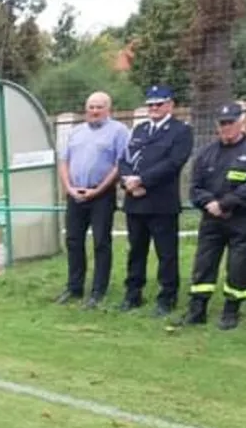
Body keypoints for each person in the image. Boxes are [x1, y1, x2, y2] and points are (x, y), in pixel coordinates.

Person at [181, 101, 246, 330]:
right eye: (222, 123)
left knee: (239, 265)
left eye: (230, 122)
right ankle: (197, 309)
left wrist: (224, 204)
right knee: (204, 263)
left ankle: (231, 311)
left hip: (241, 219)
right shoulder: (206, 153)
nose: (226, 127)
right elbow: (195, 188)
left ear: (242, 123)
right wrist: (209, 203)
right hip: (211, 218)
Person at [117, 85, 193, 316]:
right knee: (136, 252)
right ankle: (133, 295)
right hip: (135, 201)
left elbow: (173, 163)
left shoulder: (180, 131)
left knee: (166, 254)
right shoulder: (140, 129)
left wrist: (142, 181)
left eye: (159, 104)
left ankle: (167, 298)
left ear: (170, 105)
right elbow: (125, 159)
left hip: (161, 203)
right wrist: (127, 182)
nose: (154, 108)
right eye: (150, 104)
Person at [55, 92, 129, 308]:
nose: (94, 111)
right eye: (91, 107)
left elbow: (120, 164)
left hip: (101, 195)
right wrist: (69, 188)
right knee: (73, 241)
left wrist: (99, 190)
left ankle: (98, 290)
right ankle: (74, 287)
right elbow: (64, 162)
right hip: (75, 194)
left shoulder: (119, 131)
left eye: (99, 107)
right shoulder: (76, 132)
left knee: (101, 242)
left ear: (108, 109)